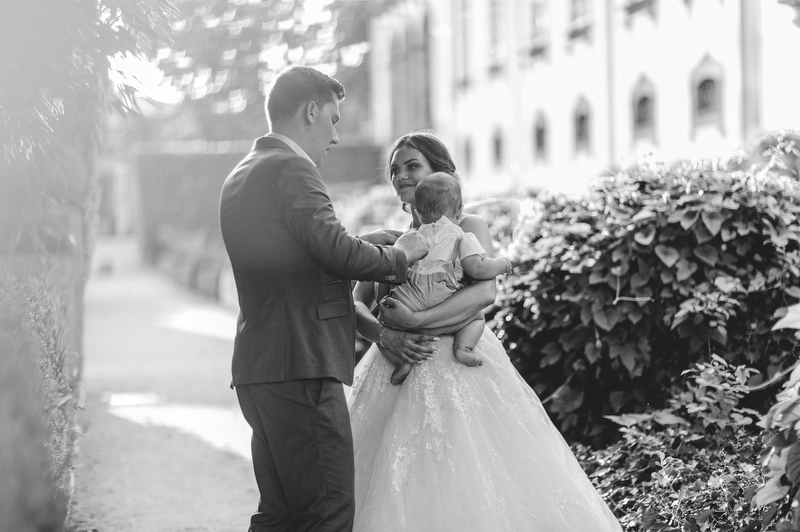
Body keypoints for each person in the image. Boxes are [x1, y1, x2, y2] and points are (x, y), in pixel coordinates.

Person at [347, 131, 623, 531]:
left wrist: (417, 322)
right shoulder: (393, 241)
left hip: (455, 361)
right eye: (394, 169)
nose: (401, 176)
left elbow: (484, 292)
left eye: (412, 166)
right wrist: (384, 335)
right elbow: (355, 303)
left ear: (442, 172)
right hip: (391, 362)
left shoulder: (468, 225)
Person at [218, 67, 431, 532]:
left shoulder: (242, 173)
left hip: (262, 367)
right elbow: (334, 251)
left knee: (280, 515)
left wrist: (364, 243)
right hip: (302, 365)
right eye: (334, 120)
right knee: (327, 514)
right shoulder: (293, 168)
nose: (335, 136)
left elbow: (297, 257)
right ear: (311, 111)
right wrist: (400, 255)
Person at [387, 172, 512, 385]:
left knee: (399, 326)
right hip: (442, 294)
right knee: (476, 317)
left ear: (419, 212)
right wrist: (502, 264)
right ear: (459, 209)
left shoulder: (411, 237)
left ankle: (404, 362)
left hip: (411, 297)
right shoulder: (461, 235)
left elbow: (396, 269)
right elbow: (477, 268)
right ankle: (463, 348)